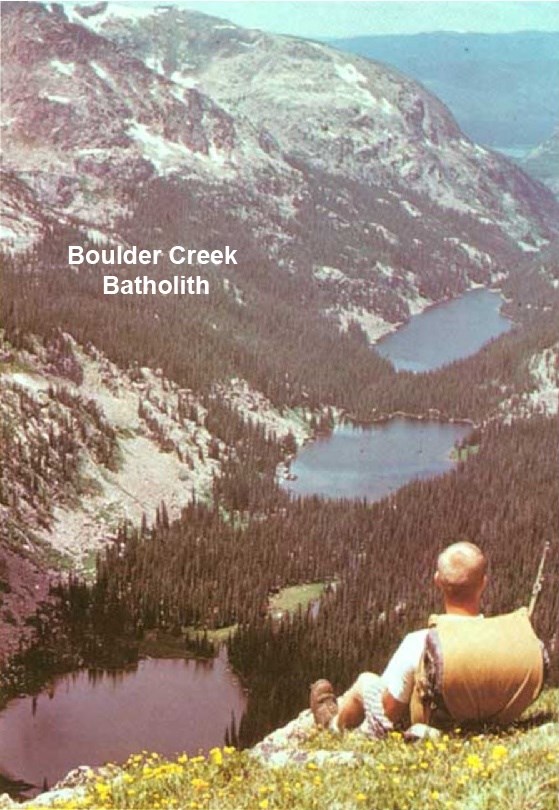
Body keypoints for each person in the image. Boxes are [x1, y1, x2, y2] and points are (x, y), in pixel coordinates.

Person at [310, 541, 519, 735]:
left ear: (437, 580)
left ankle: (333, 725)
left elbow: (388, 710)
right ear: (484, 583)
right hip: (485, 720)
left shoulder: (420, 642)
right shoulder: (503, 640)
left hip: (433, 724)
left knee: (366, 681)